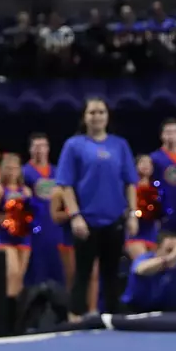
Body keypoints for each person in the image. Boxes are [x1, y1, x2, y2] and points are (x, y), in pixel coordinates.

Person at [55, 97, 138, 316]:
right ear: (84, 117)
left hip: (114, 220)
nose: (97, 116)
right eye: (92, 112)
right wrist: (75, 216)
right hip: (86, 221)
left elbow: (130, 182)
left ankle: (114, 320)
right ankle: (75, 320)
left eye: (101, 112)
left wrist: (133, 214)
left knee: (112, 274)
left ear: (107, 116)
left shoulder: (120, 145)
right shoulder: (73, 145)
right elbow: (66, 185)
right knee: (82, 274)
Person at [119, 231, 176, 314]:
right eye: (169, 250)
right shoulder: (145, 258)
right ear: (156, 249)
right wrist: (170, 257)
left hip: (165, 311)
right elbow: (141, 269)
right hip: (136, 310)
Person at [0, 152, 34, 300]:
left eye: (15, 168)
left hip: (24, 237)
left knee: (20, 275)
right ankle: (8, 307)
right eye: (9, 168)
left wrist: (29, 223)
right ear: (3, 169)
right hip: (5, 238)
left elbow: (32, 214)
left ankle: (18, 312)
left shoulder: (26, 191)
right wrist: (8, 220)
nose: (12, 172)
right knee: (12, 273)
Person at [21, 133, 63, 287]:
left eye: (42, 146)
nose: (39, 150)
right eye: (36, 146)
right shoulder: (23, 172)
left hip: (55, 225)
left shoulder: (58, 171)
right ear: (30, 149)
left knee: (58, 265)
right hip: (35, 226)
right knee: (36, 266)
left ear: (48, 149)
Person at [126, 154, 162, 261]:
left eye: (149, 163)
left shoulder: (157, 188)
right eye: (142, 162)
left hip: (151, 232)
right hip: (134, 232)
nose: (146, 165)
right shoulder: (130, 187)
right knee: (142, 264)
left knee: (152, 269)